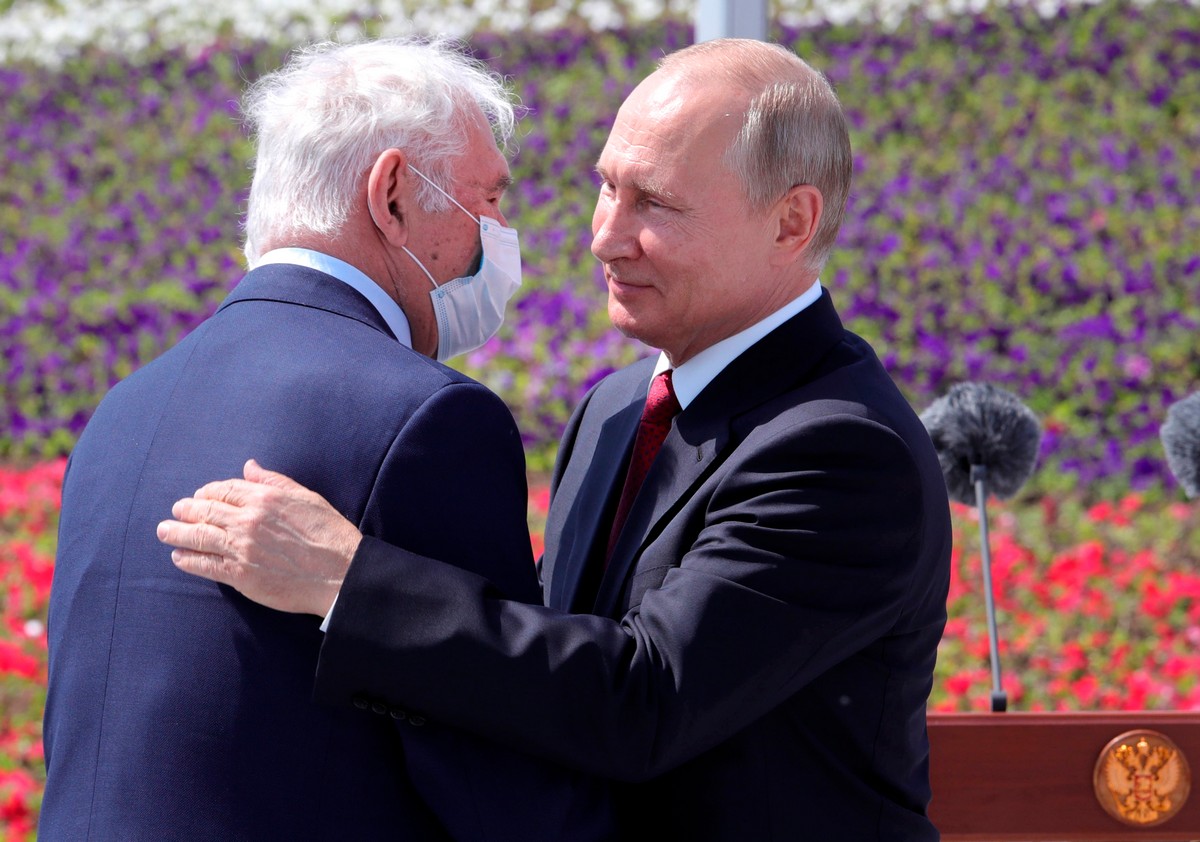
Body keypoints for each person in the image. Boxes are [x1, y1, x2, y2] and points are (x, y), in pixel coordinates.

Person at [159, 37, 953, 840]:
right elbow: (549, 672)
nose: (605, 236)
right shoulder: (617, 408)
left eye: (656, 203)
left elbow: (646, 698)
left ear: (792, 221)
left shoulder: (842, 449)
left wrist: (348, 582)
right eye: (607, 187)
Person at [41, 36, 613, 841]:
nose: (499, 230)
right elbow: (500, 778)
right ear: (392, 195)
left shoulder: (122, 410)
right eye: (487, 198)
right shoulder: (428, 418)